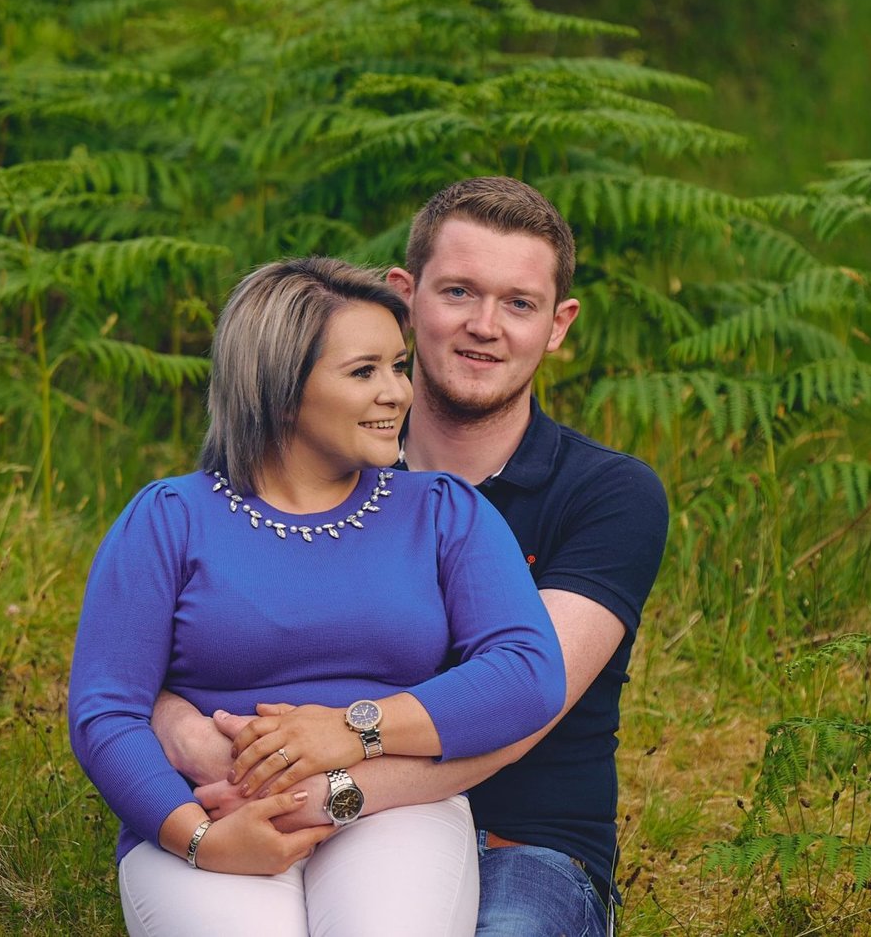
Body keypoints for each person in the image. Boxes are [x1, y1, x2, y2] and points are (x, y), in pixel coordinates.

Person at [155, 178, 669, 935]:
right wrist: (184, 732)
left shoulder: (609, 494)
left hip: (518, 848)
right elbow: (180, 653)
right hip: (297, 815)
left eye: (519, 304)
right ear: (405, 297)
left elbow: (521, 710)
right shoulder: (311, 471)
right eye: (458, 291)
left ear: (558, 325)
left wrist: (334, 782)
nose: (484, 326)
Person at [68, 257, 566, 937]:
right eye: (364, 372)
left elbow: (527, 674)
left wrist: (352, 729)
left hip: (392, 808)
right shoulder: (169, 518)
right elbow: (106, 710)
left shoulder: (444, 511)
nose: (397, 392)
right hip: (213, 808)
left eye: (398, 365)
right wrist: (200, 841)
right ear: (279, 389)